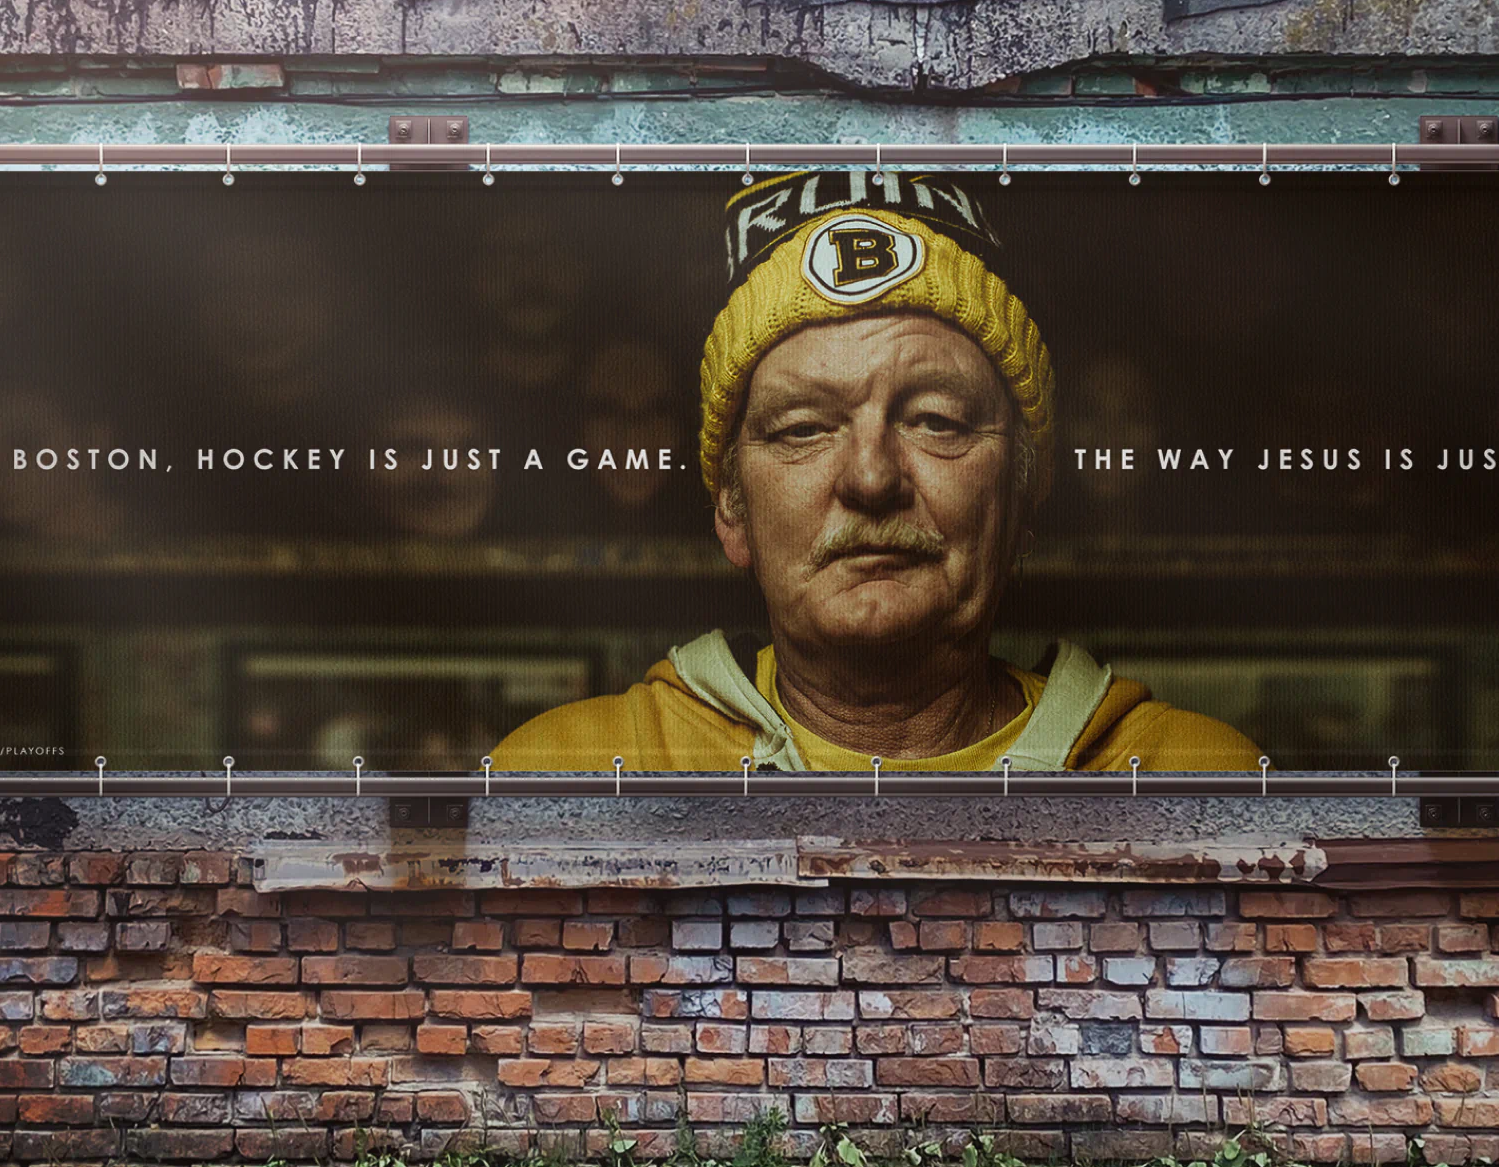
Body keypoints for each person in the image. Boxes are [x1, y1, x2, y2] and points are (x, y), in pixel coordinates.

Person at [493, 170, 1261, 773]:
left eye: (937, 421)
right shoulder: (575, 772)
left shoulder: (1185, 776)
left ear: (1025, 494)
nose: (870, 478)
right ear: (732, 509)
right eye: (801, 429)